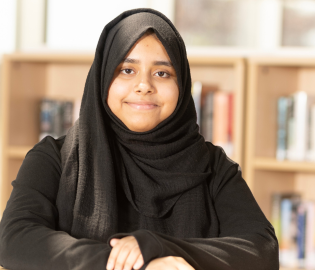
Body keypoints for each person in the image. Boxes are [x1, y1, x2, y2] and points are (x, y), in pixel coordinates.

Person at [0, 8, 279, 270]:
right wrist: (127, 262)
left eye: (162, 73)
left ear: (181, 85)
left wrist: (160, 247)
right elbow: (15, 240)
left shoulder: (213, 166)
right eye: (127, 70)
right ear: (103, 78)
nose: (144, 86)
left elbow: (261, 249)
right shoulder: (54, 159)